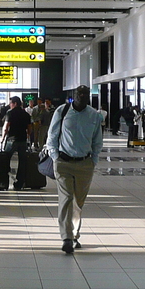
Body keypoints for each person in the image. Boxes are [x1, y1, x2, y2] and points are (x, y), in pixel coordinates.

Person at [44, 86, 103, 255]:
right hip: (63, 162)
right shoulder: (62, 112)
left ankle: (75, 235)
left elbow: (97, 140)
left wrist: (93, 160)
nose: (82, 97)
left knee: (78, 201)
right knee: (66, 198)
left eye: (85, 94)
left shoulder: (93, 115)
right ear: (73, 96)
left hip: (84, 164)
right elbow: (52, 135)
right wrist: (55, 156)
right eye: (79, 94)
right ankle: (66, 238)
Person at [1, 95, 33, 190]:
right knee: (22, 162)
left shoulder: (10, 113)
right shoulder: (26, 114)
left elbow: (6, 127)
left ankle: (3, 182)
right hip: (22, 140)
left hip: (12, 140)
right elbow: (30, 128)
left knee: (5, 159)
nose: (10, 105)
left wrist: (2, 138)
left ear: (15, 103)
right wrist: (27, 136)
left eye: (11, 103)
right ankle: (19, 184)